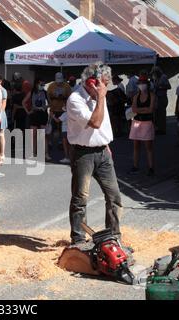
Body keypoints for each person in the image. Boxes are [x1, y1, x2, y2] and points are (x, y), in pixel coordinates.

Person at [66, 62, 122, 244]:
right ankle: (78, 238)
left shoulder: (99, 95)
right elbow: (96, 122)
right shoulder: (75, 99)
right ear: (92, 82)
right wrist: (100, 97)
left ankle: (114, 236)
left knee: (114, 196)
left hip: (103, 151)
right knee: (80, 198)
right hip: (83, 154)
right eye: (104, 83)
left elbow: (102, 127)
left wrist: (106, 144)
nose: (106, 87)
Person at [128, 75, 156, 176]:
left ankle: (151, 167)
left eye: (143, 83)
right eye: (140, 84)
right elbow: (134, 109)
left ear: (147, 85)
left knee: (148, 146)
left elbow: (151, 109)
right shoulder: (136, 96)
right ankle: (135, 166)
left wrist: (141, 110)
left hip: (147, 122)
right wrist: (145, 109)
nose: (141, 85)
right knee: (136, 145)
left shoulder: (152, 95)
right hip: (136, 122)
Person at [47, 72, 72, 160]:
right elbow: (48, 96)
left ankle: (62, 141)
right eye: (58, 81)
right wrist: (52, 101)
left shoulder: (67, 86)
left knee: (63, 127)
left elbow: (70, 97)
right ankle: (50, 142)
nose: (59, 83)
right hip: (54, 109)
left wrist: (63, 97)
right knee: (52, 127)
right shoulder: (51, 86)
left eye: (60, 81)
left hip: (63, 109)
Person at [28, 78, 48, 159]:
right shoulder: (32, 92)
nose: (42, 86)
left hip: (43, 114)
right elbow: (23, 101)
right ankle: (33, 153)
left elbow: (50, 103)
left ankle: (46, 154)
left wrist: (45, 107)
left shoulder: (45, 93)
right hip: (34, 114)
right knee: (33, 134)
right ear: (36, 84)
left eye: (43, 84)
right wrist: (28, 111)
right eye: (41, 84)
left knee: (43, 134)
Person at [151, 66, 171, 135]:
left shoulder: (163, 77)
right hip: (157, 98)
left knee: (162, 114)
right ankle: (159, 129)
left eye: (154, 73)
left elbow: (169, 86)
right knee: (157, 114)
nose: (153, 75)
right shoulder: (156, 78)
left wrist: (159, 87)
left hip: (162, 97)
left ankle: (162, 130)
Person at [0, 74, 8, 164]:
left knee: (1, 134)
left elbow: (4, 103)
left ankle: (2, 153)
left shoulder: (3, 90)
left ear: (0, 81)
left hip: (0, 114)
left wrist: (0, 114)